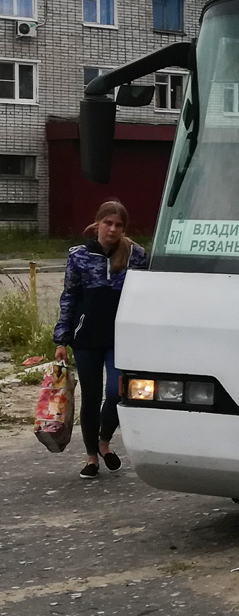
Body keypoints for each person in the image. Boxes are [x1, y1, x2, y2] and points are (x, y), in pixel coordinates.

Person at [53, 200, 148, 479]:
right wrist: (61, 339)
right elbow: (69, 297)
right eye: (108, 223)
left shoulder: (136, 256)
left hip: (120, 339)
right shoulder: (79, 257)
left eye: (118, 225)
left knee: (119, 392)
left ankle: (104, 439)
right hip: (87, 338)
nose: (113, 229)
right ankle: (92, 456)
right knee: (91, 397)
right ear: (97, 224)